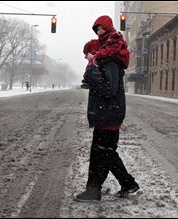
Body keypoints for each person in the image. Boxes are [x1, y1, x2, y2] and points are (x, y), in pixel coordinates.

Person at [75, 15, 139, 202]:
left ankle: (94, 189)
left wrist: (90, 72)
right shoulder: (106, 59)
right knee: (105, 152)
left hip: (109, 113)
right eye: (97, 29)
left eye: (102, 28)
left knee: (100, 153)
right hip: (107, 113)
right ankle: (126, 184)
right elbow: (104, 84)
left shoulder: (109, 61)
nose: (99, 31)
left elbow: (109, 88)